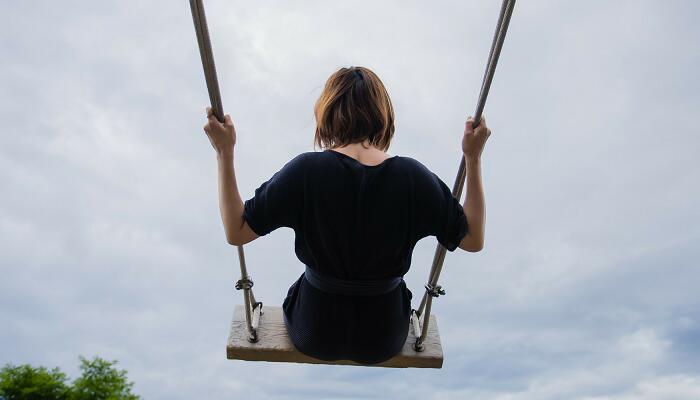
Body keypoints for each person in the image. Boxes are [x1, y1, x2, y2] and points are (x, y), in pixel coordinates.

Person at [202, 66, 491, 365]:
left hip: (314, 330)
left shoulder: (305, 171)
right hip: (382, 336)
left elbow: (236, 231)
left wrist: (225, 152)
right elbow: (472, 239)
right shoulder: (413, 177)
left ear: (327, 113)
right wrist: (473, 157)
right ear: (383, 116)